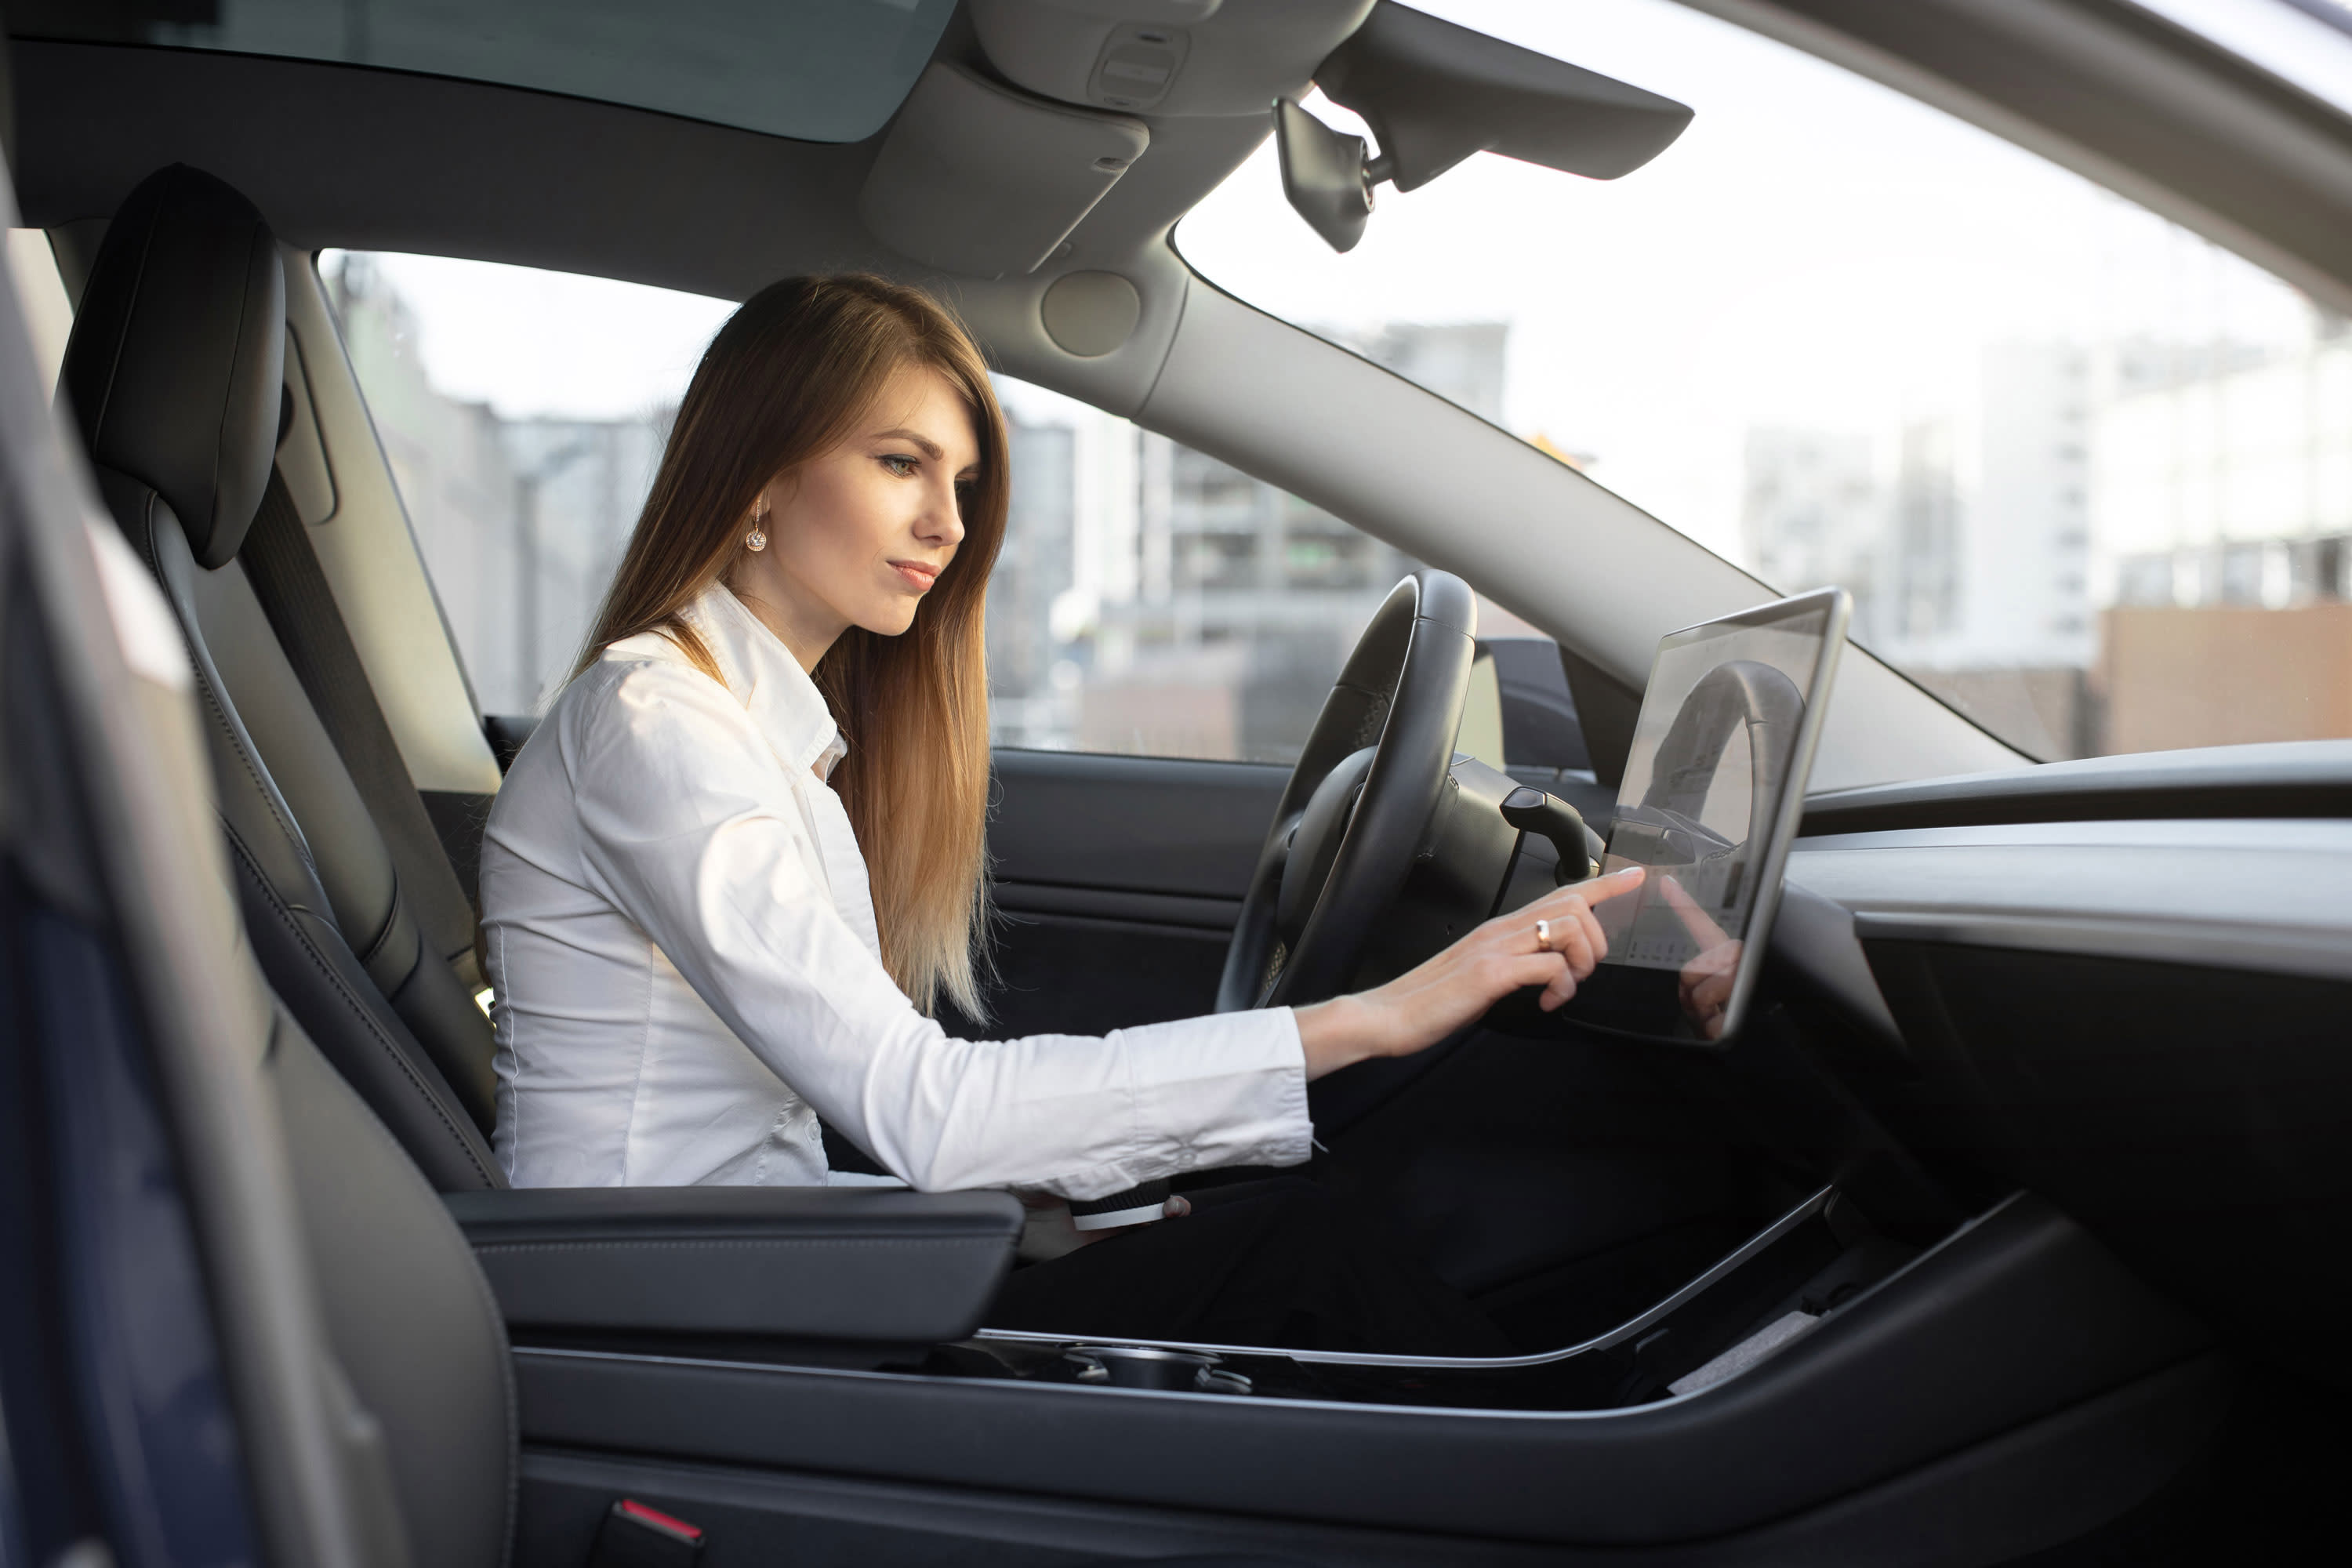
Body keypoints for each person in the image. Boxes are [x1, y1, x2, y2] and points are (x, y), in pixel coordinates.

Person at [480, 274, 1646, 1354]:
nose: (948, 522)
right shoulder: (658, 728)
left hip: (730, 1289)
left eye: (965, 484)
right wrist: (1382, 1016)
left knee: (1269, 1223)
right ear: (761, 477)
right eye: (902, 464)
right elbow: (921, 1110)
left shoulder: (749, 735)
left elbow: (738, 1163)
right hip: (656, 1342)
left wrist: (1024, 1224)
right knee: (1296, 1251)